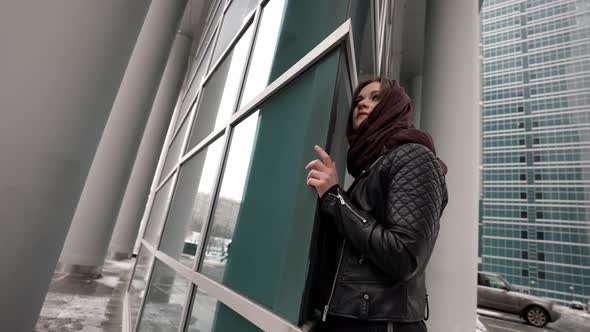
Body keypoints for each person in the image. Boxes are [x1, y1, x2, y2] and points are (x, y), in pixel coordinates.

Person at [305, 78, 448, 332]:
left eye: (375, 98)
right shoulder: (372, 167)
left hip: (381, 325)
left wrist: (335, 197)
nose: (362, 104)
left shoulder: (414, 157)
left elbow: (403, 255)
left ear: (394, 106)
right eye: (359, 100)